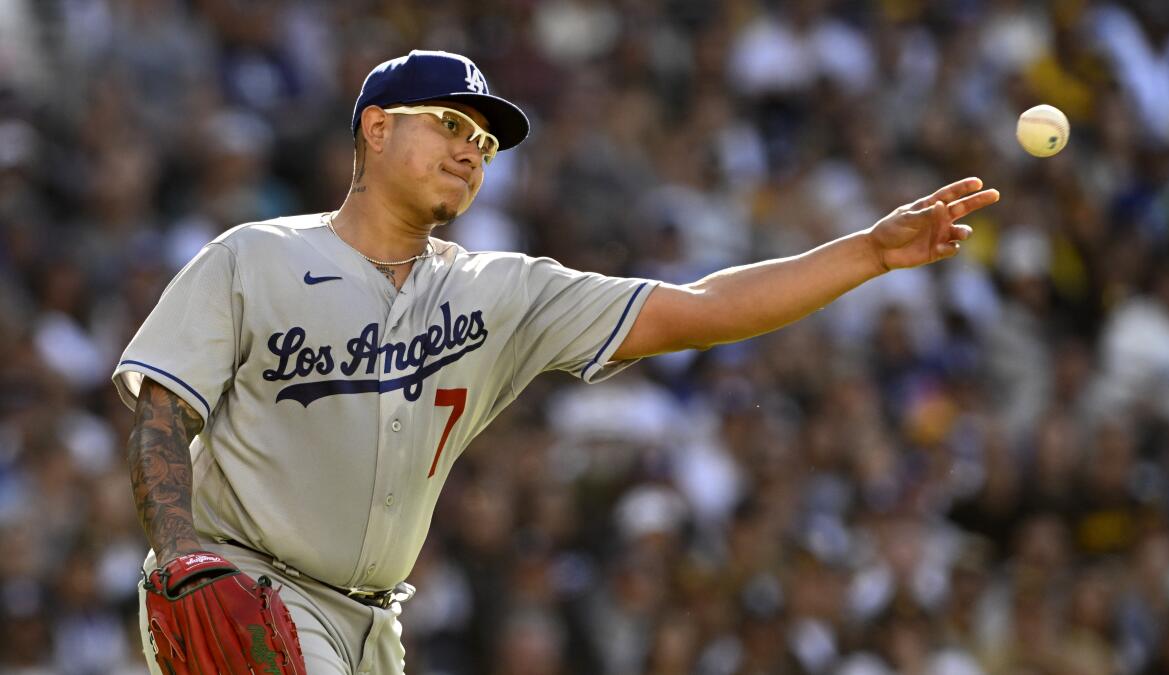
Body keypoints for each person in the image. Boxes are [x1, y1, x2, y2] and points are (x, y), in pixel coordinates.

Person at [114, 49, 999, 674]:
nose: (472, 150)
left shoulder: (500, 291)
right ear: (375, 129)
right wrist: (186, 557)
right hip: (244, 586)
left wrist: (868, 255)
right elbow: (162, 405)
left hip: (373, 622)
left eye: (487, 144)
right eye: (451, 123)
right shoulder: (254, 255)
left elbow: (699, 308)